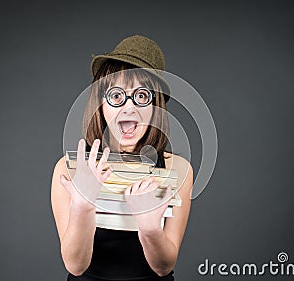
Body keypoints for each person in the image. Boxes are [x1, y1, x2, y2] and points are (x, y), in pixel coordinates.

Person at [51, 35, 193, 281]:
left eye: (141, 96)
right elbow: (75, 266)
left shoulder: (178, 170)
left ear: (155, 106)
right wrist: (83, 205)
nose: (129, 108)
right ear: (101, 105)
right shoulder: (69, 169)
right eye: (116, 96)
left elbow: (163, 267)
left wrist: (149, 229)